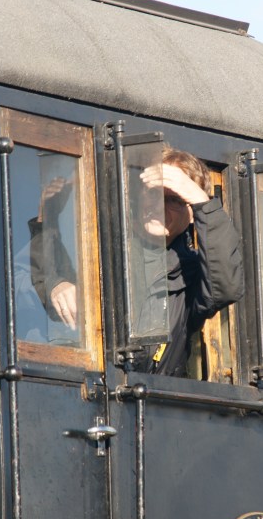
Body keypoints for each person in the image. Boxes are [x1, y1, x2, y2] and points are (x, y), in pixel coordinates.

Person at [31, 147, 244, 377]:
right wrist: (55, 282)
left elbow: (226, 286)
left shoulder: (192, 273)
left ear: (192, 212)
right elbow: (25, 287)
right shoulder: (101, 247)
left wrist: (203, 203)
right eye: (153, 193)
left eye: (174, 199)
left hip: (156, 394)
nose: (159, 206)